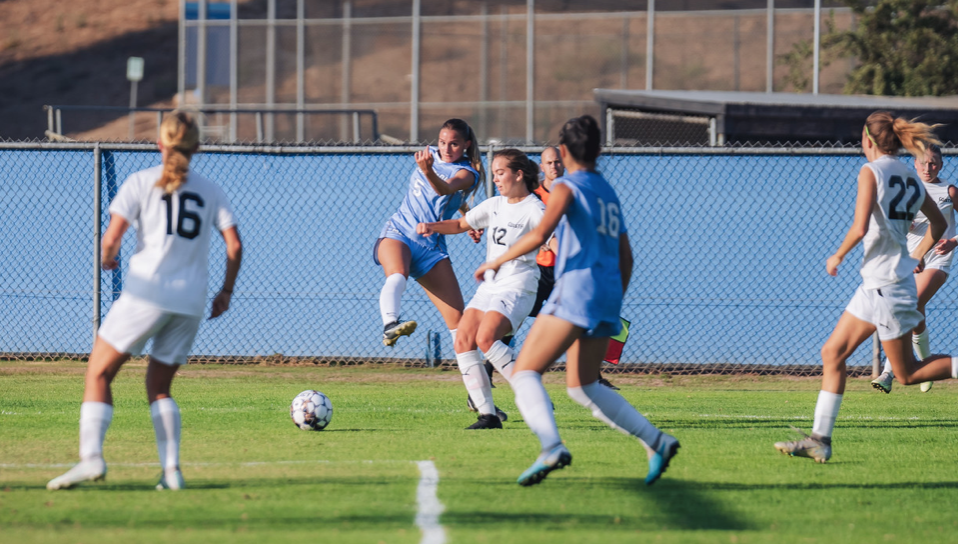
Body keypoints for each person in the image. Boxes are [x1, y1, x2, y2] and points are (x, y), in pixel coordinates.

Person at [475, 115, 679, 487]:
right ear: (599, 151)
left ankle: (551, 446)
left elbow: (540, 234)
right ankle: (657, 441)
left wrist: (497, 260)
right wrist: (614, 302)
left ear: (564, 152)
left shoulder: (567, 187)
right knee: (583, 385)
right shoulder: (608, 191)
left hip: (576, 290)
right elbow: (627, 256)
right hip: (606, 295)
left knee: (525, 372)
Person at [47, 111, 243, 491]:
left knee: (99, 373)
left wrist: (108, 256)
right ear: (197, 148)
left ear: (160, 143)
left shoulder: (140, 182)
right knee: (159, 386)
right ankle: (172, 473)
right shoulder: (210, 190)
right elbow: (234, 244)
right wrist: (227, 291)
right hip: (190, 300)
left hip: (146, 293)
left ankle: (91, 460)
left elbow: (111, 239)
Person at [774, 112, 952, 464]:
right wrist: (915, 255)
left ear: (868, 140)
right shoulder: (908, 177)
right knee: (832, 353)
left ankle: (820, 439)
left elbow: (858, 227)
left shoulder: (871, 171)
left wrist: (836, 256)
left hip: (887, 285)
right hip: (876, 284)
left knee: (907, 374)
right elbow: (940, 223)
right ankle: (819, 440)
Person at [418, 149, 545, 429]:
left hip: (518, 286)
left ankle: (534, 394)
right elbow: (462, 223)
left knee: (486, 338)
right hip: (491, 286)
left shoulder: (535, 209)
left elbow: (551, 238)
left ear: (519, 174)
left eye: (500, 172)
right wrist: (432, 227)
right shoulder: (496, 203)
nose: (496, 179)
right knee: (464, 338)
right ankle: (487, 415)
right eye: (494, 173)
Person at [375, 119, 483, 350]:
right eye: (442, 142)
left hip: (430, 247)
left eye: (454, 144)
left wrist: (428, 170)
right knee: (397, 275)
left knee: (459, 323)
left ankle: (478, 379)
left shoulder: (467, 173)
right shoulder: (430, 154)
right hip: (400, 231)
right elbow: (449, 199)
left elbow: (445, 190)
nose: (446, 148)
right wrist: (467, 213)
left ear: (466, 144)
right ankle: (390, 325)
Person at [871, 144, 954, 394]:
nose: (928, 168)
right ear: (914, 164)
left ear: (941, 165)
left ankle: (887, 372)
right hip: (908, 260)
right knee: (912, 310)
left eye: (933, 163)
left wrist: (953, 241)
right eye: (923, 163)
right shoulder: (905, 189)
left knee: (911, 302)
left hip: (937, 260)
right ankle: (923, 364)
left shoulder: (948, 191)